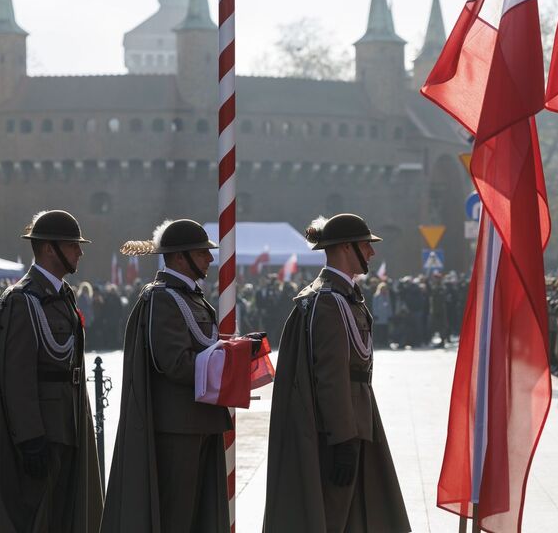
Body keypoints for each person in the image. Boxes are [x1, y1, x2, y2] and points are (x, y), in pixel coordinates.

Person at [101, 219, 263, 533]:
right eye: (201, 253)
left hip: (199, 421)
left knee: (196, 516)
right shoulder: (163, 298)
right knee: (177, 517)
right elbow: (175, 363)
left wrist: (240, 348)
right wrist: (233, 356)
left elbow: (204, 348)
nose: (210, 259)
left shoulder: (189, 296)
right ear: (179, 257)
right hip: (178, 426)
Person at [0, 210, 103, 533]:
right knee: (38, 519)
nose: (79, 252)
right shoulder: (22, 301)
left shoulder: (61, 296)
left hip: (67, 426)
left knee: (62, 518)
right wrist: (30, 438)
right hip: (43, 433)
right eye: (72, 245)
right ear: (50, 249)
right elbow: (17, 378)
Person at [263, 213, 410, 533]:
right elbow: (331, 377)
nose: (371, 252)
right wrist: (344, 439)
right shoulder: (330, 300)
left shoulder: (341, 295)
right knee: (334, 518)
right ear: (346, 247)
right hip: (339, 429)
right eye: (365, 245)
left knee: (351, 516)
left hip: (354, 421)